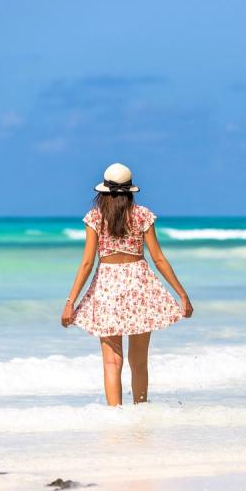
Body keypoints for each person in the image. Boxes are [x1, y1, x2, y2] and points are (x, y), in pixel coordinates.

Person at [61, 163, 193, 406]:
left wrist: (70, 302)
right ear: (131, 191)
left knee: (112, 362)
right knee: (139, 361)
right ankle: (140, 414)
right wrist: (182, 294)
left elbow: (88, 263)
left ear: (102, 192)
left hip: (107, 288)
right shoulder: (143, 214)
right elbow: (159, 258)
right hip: (140, 286)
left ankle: (115, 419)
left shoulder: (95, 217)